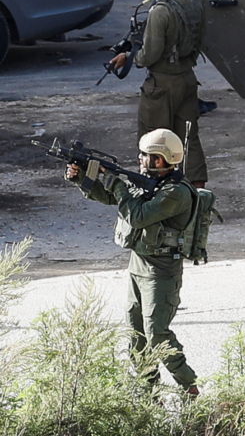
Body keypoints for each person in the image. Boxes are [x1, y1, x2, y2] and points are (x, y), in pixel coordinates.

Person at [64, 129, 199, 396]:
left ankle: (189, 388)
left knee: (157, 334)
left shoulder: (176, 192)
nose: (139, 158)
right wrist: (82, 178)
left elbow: (137, 217)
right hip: (138, 266)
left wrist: (117, 183)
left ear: (160, 160)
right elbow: (112, 198)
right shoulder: (151, 182)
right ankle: (150, 394)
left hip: (161, 272)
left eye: (145, 155)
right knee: (136, 335)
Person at [108, 0, 207, 188]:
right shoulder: (194, 4)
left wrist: (131, 57)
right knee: (188, 138)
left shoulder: (160, 11)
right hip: (188, 78)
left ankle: (154, 190)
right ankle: (198, 191)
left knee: (153, 139)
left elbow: (150, 54)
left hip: (161, 84)